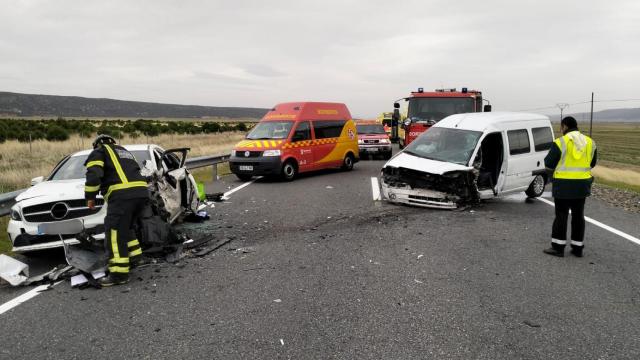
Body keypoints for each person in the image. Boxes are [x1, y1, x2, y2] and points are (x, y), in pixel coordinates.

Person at [84, 134, 149, 286]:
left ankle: (119, 274)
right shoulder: (125, 151)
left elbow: (94, 175)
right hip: (141, 194)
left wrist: (90, 197)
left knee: (114, 232)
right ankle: (134, 258)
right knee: (127, 227)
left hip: (122, 196)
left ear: (96, 144)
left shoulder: (99, 152)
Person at [543, 117, 597, 257]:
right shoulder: (590, 142)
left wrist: (554, 173)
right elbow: (592, 163)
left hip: (563, 186)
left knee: (561, 215)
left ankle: (558, 247)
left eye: (561, 127)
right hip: (582, 186)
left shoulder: (561, 142)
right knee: (578, 216)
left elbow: (548, 163)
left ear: (565, 126)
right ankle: (577, 248)